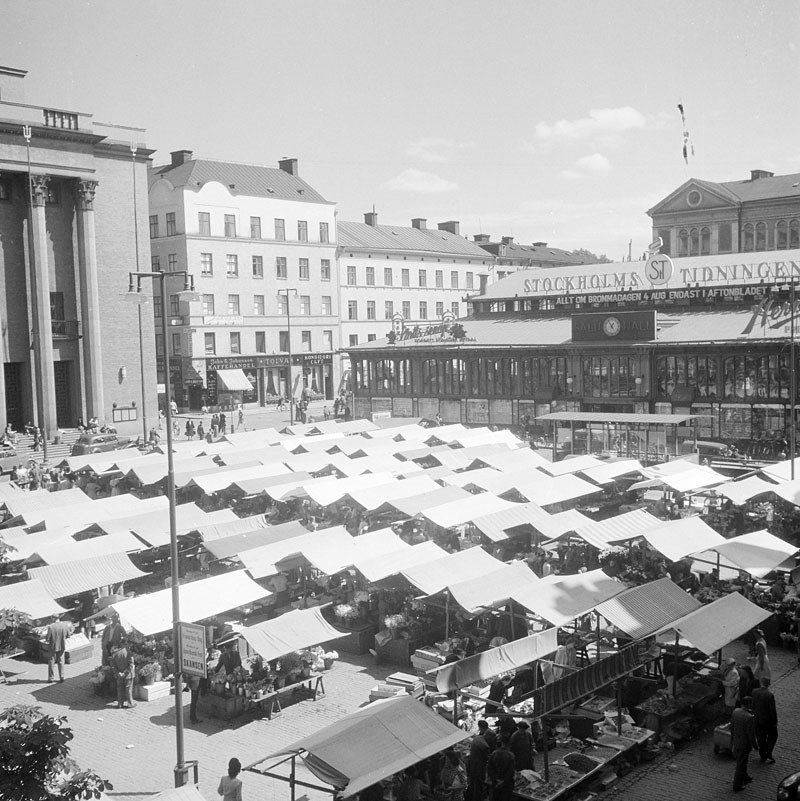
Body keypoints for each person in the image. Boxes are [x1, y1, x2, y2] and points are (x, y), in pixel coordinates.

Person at [730, 696, 757, 792]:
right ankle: (737, 785)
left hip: (737, 741)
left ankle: (745, 777)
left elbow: (732, 726)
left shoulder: (735, 711)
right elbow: (751, 734)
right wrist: (755, 745)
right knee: (741, 764)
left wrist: (732, 740)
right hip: (744, 745)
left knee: (743, 762)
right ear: (749, 704)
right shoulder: (749, 717)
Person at [751, 677, 778, 764]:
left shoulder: (755, 692)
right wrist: (774, 722)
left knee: (760, 737)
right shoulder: (769, 695)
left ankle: (762, 754)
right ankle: (768, 752)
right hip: (767, 721)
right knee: (773, 736)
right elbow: (772, 710)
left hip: (757, 719)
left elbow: (753, 705)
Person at [46, 614, 72, 682]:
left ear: (54, 618)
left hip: (53, 646)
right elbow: (68, 635)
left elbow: (47, 638)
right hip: (62, 646)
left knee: (51, 662)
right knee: (61, 662)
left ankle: (51, 678)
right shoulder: (65, 625)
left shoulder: (51, 627)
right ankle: (62, 677)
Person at [466, 728, 490, 801]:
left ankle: (469, 798)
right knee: (478, 786)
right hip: (479, 768)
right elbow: (487, 757)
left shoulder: (477, 738)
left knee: (472, 784)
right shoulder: (485, 745)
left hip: (471, 765)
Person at [110, 639, 135, 709]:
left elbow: (113, 666)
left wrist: (118, 673)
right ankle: (130, 703)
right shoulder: (128, 652)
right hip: (128, 675)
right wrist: (124, 673)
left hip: (119, 675)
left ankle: (120, 704)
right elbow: (131, 665)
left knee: (120, 690)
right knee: (128, 690)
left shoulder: (115, 654)